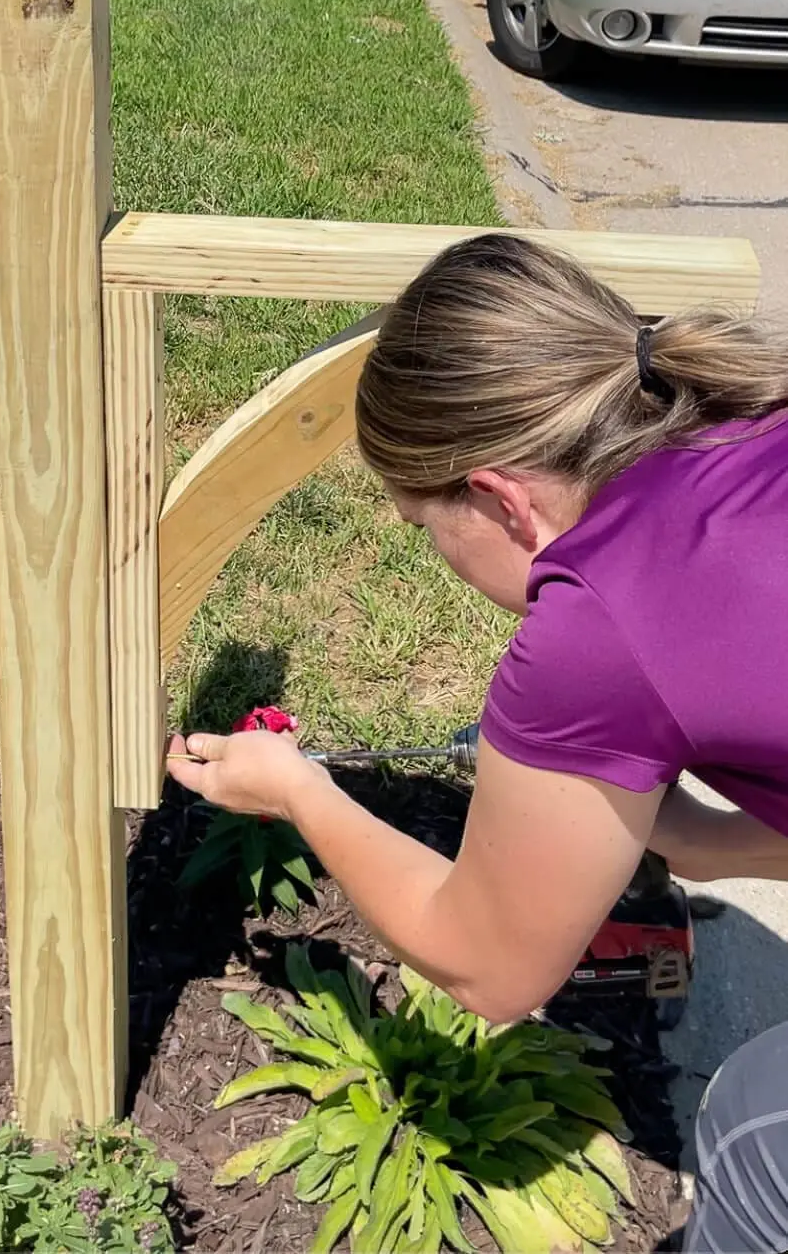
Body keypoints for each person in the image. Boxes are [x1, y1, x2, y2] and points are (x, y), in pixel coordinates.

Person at [168, 233, 788, 1254]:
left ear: (500, 498)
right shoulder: (744, 421)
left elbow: (490, 971)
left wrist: (300, 793)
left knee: (754, 1132)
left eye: (425, 528)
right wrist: (696, 837)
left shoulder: (600, 625)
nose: (436, 555)